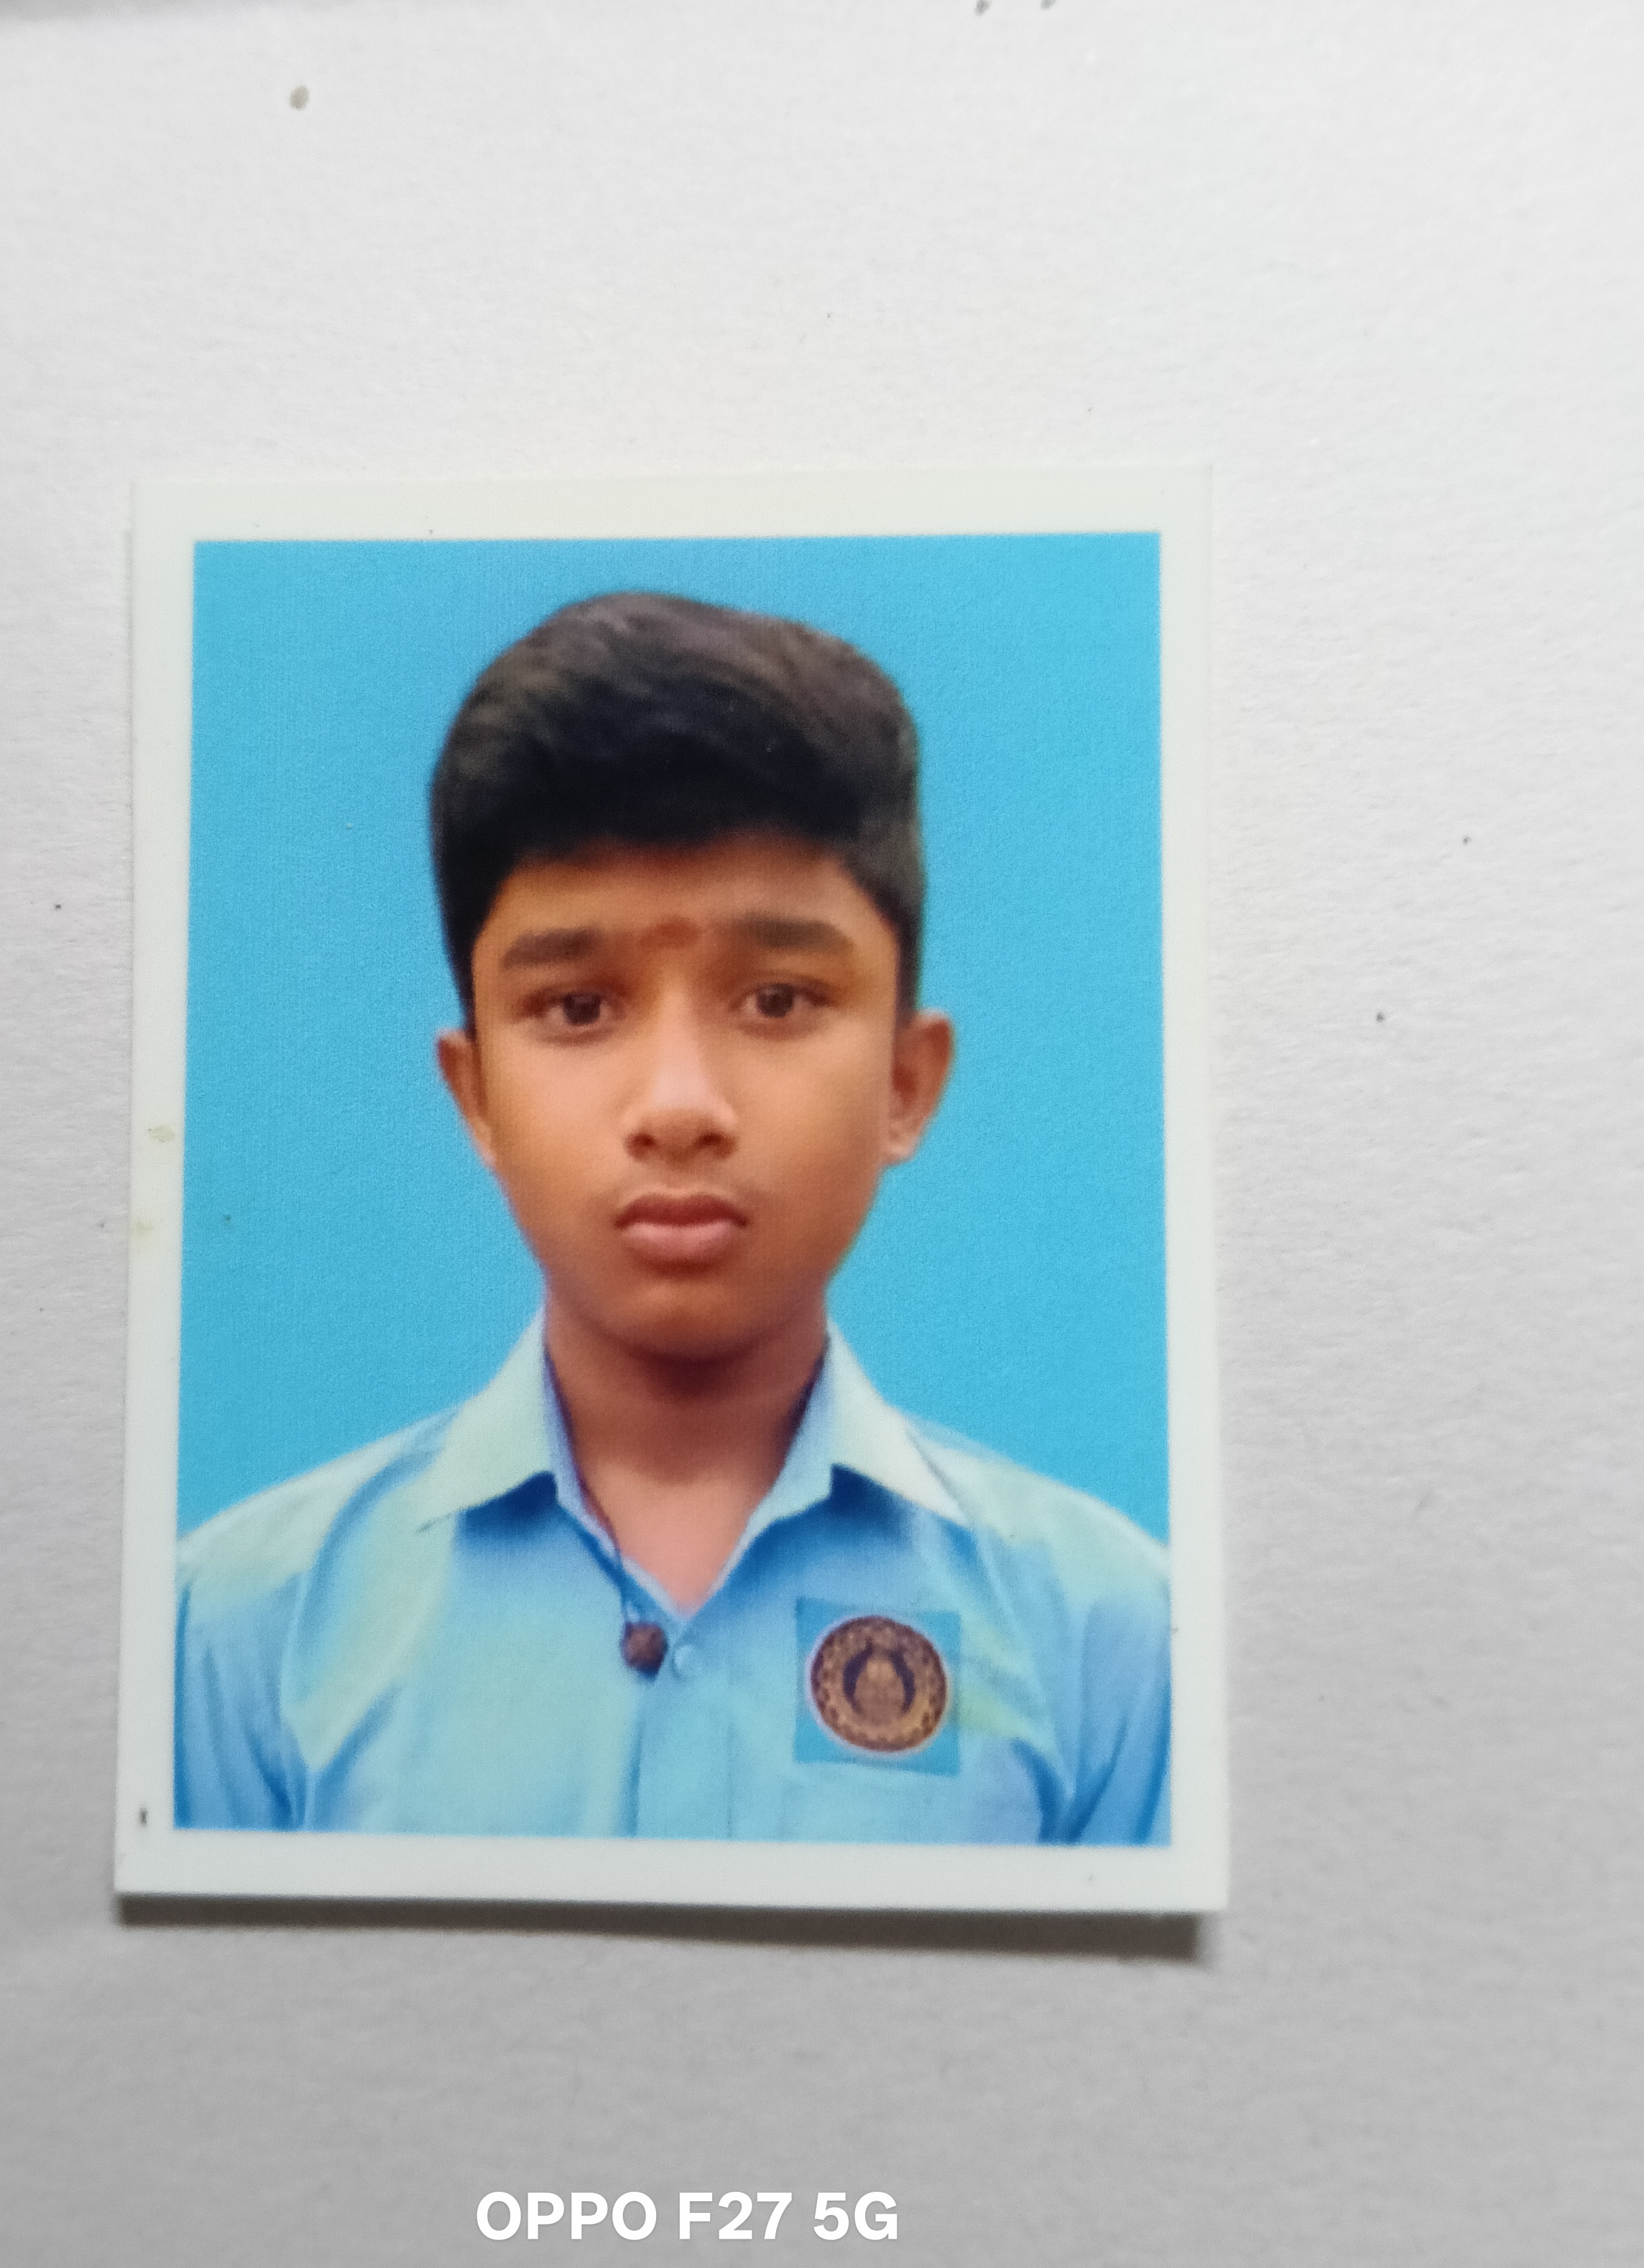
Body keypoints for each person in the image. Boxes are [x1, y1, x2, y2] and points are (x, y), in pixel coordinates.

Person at [176, 591, 1170, 1843]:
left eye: (777, 1000)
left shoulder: (1106, 1639)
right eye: (580, 1009)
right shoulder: (244, 1630)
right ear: (476, 1095)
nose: (680, 1108)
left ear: (906, 1084)